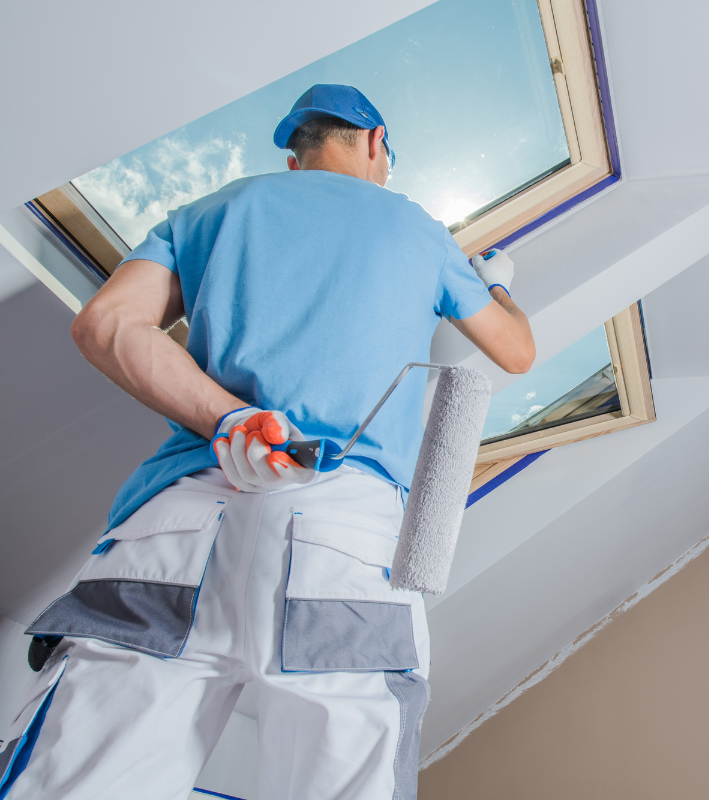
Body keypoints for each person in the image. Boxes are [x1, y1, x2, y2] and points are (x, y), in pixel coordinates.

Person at [0, 84, 534, 800]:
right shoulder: (417, 230)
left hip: (180, 526)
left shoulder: (210, 212)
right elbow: (517, 352)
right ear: (374, 141)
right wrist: (495, 285)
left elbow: (105, 326)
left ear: (296, 154)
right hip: (343, 540)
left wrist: (229, 418)